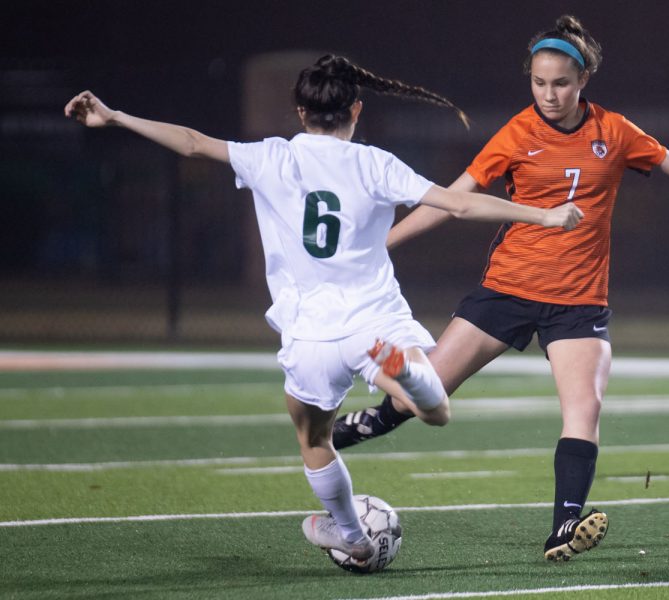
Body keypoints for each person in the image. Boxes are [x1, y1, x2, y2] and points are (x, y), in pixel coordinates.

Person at [64, 55, 583, 564]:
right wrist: (544, 216)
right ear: (356, 110)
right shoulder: (374, 163)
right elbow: (461, 203)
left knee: (313, 439)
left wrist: (115, 117)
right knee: (436, 409)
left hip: (310, 334)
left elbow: (193, 143)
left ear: (300, 113)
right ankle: (413, 381)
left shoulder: (271, 157)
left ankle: (353, 537)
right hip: (375, 323)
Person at [332, 15, 669, 562]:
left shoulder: (616, 131)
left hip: (579, 302)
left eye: (560, 83)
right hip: (507, 289)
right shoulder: (515, 133)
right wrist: (378, 246)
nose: (548, 94)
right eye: (538, 82)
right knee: (424, 391)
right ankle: (362, 426)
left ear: (583, 82)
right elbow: (449, 199)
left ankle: (563, 528)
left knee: (584, 408)